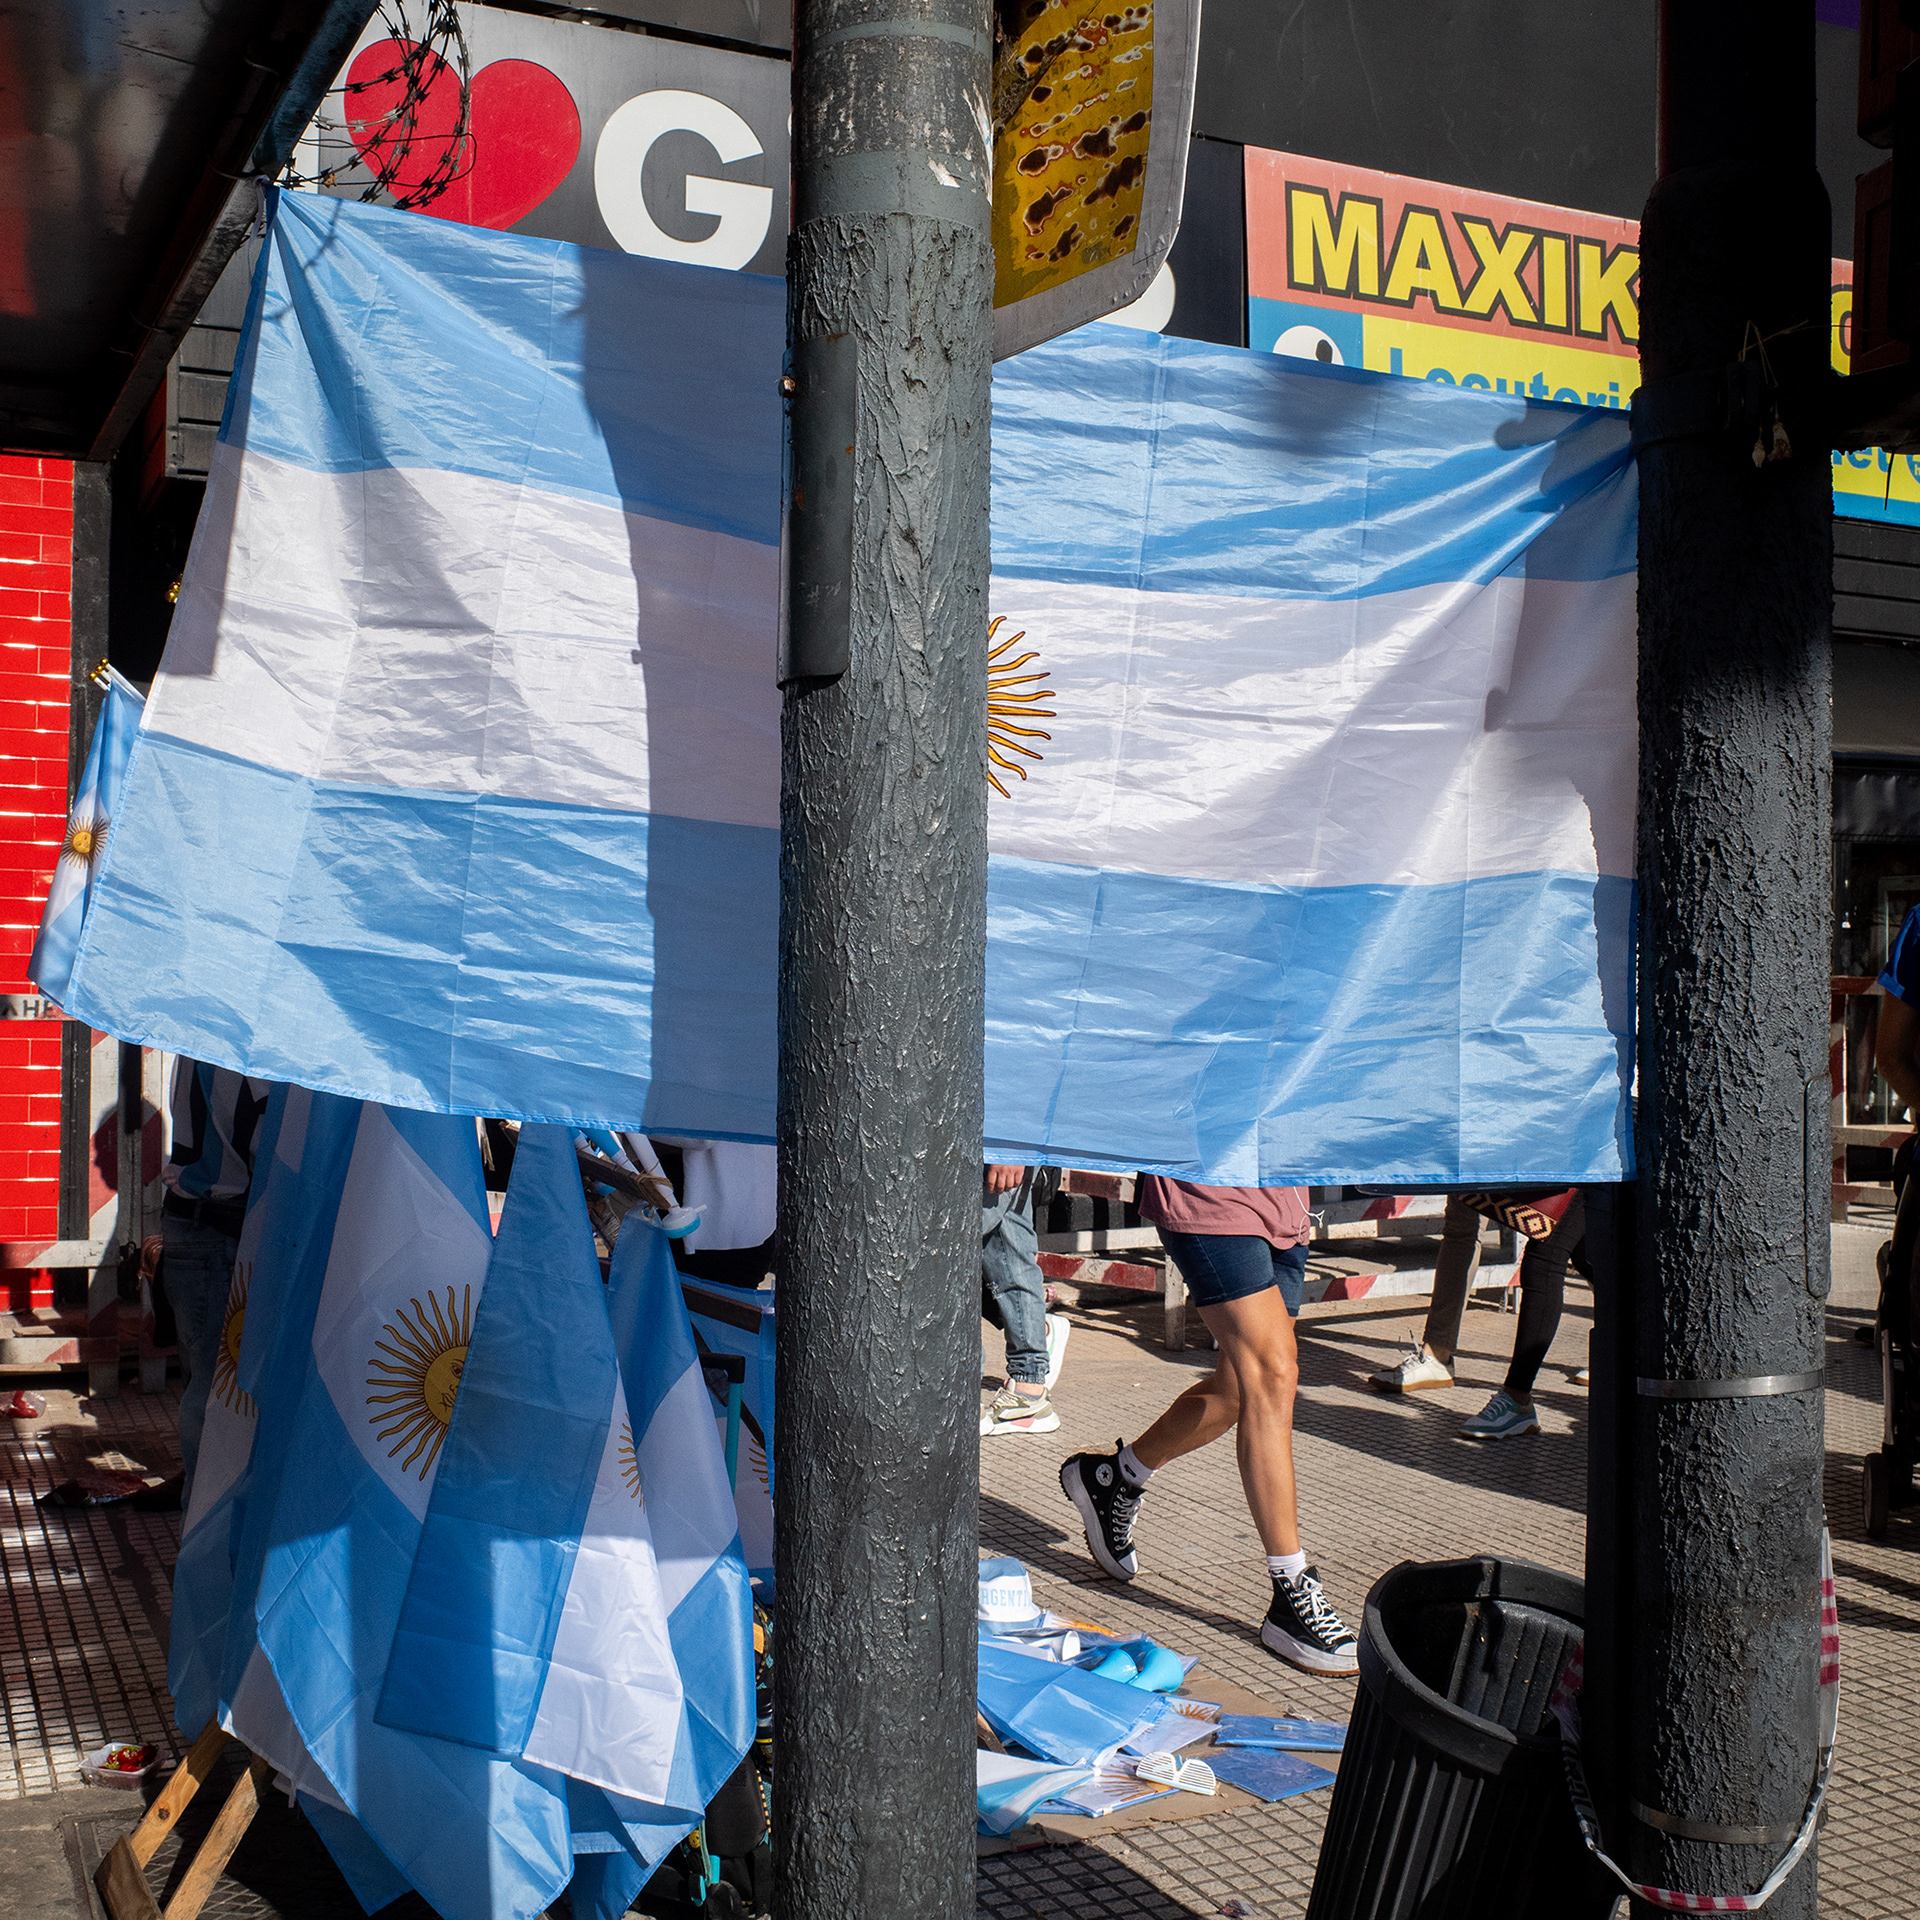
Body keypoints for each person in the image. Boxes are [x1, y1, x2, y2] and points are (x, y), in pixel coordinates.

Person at [1058, 1177, 1358, 1676]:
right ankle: (1290, 1592)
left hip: (1283, 1196)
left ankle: (1115, 1477)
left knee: (1240, 1388)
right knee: (1273, 1374)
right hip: (1208, 1189)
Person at [1367, 1190, 1587, 1438]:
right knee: (1581, 1253)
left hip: (1591, 1171)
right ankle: (1439, 1355)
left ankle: (1517, 1397)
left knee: (1547, 1258)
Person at [162, 1059, 269, 1501]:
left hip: (192, 1222)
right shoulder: (251, 1050)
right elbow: (272, 1148)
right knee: (218, 1390)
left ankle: (199, 1510)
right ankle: (205, 1516)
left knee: (205, 1380)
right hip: (222, 1227)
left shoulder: (200, 1039)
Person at [980, 1164, 1068, 1436]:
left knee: (944, 1248)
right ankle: (1028, 1392)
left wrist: (1010, 1150)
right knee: (1010, 1248)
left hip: (995, 1149)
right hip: (1000, 1150)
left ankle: (958, 1393)